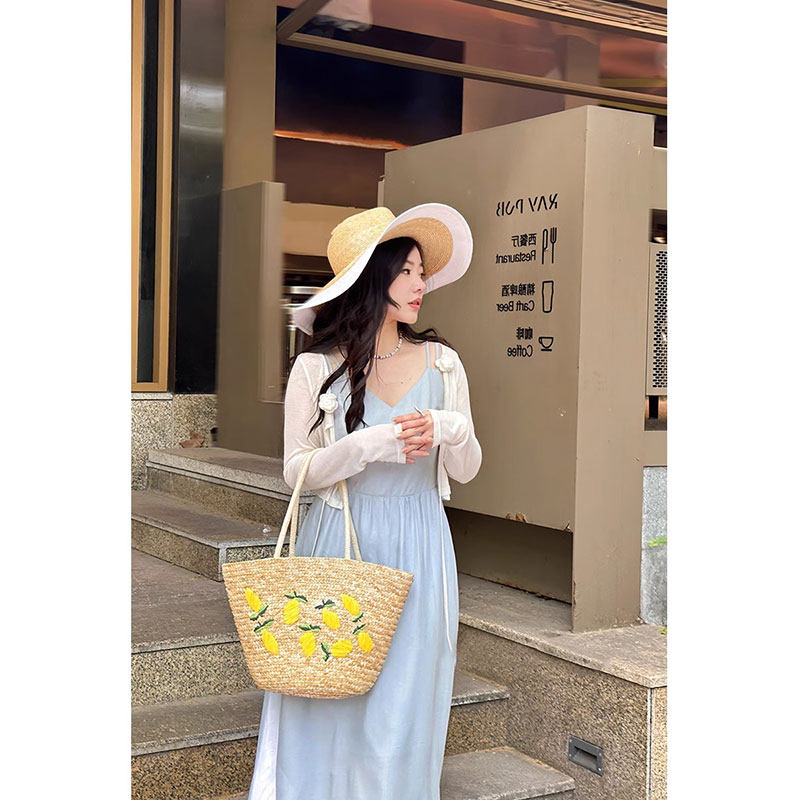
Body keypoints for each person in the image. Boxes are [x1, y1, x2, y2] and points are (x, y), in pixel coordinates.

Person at [247, 204, 482, 800]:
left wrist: (452, 430)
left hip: (421, 543)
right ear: (371, 279)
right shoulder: (315, 367)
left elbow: (467, 469)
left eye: (422, 272)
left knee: (407, 702)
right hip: (339, 542)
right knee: (328, 697)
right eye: (406, 271)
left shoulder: (443, 363)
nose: (421, 283)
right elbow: (296, 472)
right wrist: (366, 445)